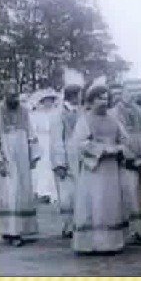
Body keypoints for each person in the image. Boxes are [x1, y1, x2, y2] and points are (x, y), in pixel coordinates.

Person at [70, 82, 131, 254]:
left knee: (109, 203)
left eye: (106, 98)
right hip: (94, 169)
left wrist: (119, 149)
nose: (103, 102)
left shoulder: (114, 120)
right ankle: (89, 243)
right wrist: (101, 150)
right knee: (94, 202)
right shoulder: (84, 120)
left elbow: (125, 140)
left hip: (111, 169)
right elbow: (80, 143)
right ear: (91, 100)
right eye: (99, 98)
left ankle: (110, 243)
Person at [0, 81, 40, 247]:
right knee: (10, 194)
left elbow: (31, 134)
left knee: (23, 193)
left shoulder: (24, 111)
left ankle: (23, 229)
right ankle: (12, 232)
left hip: (22, 159)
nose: (14, 98)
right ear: (5, 94)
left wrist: (34, 155)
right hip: (7, 159)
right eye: (11, 95)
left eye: (16, 95)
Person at [109, 79, 141, 242]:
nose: (130, 96)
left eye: (133, 93)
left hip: (140, 156)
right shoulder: (114, 112)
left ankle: (139, 230)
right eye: (127, 92)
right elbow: (120, 136)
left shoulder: (139, 111)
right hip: (124, 158)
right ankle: (129, 231)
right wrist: (128, 155)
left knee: (138, 194)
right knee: (127, 192)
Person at [49, 84, 82, 238]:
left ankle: (79, 223)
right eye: (79, 95)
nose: (81, 98)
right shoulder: (59, 114)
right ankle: (67, 226)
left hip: (80, 156)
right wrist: (60, 163)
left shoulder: (82, 111)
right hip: (66, 155)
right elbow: (56, 139)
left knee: (79, 191)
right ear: (73, 96)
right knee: (66, 194)